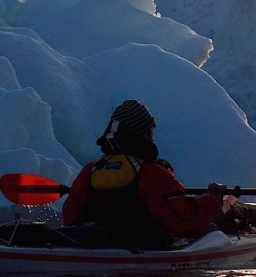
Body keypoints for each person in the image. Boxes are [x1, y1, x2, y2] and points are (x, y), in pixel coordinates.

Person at [62, 99, 237, 249]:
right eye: (149, 131)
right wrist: (213, 197)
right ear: (141, 134)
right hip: (143, 251)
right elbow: (188, 221)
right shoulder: (153, 174)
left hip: (95, 247)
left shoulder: (91, 171)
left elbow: (70, 217)